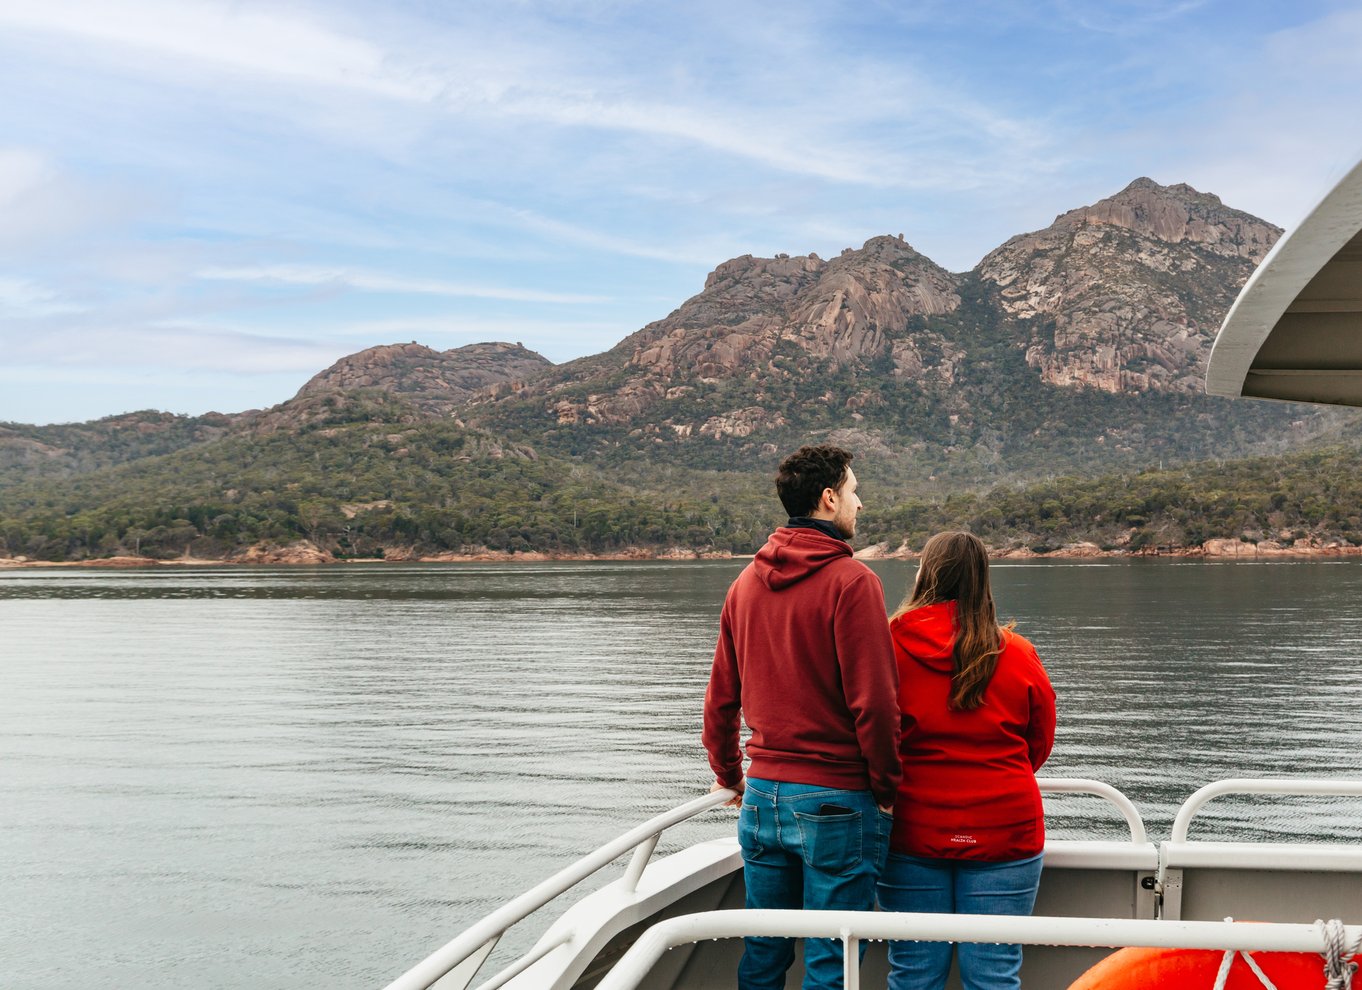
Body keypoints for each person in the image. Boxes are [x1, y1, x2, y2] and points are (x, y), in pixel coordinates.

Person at [702, 444, 901, 990]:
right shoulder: (852, 583)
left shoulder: (743, 585)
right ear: (829, 497)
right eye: (855, 491)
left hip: (762, 798)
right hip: (837, 799)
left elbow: (720, 700)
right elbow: (876, 704)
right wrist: (886, 786)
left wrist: (731, 778)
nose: (860, 505)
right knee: (831, 958)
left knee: (763, 952)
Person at [877, 531, 1056, 990]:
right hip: (1005, 828)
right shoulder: (1017, 654)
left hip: (911, 828)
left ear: (924, 575)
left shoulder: (885, 648)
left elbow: (871, 733)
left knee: (913, 974)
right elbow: (1038, 742)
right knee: (994, 976)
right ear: (983, 581)